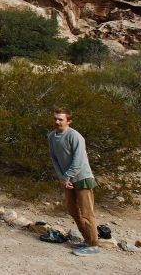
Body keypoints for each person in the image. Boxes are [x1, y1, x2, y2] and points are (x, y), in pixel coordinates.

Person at [47, 108, 100, 256]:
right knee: (72, 210)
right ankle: (87, 239)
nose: (57, 121)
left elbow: (79, 161)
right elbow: (54, 158)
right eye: (55, 119)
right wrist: (62, 177)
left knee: (86, 213)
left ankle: (93, 245)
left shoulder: (75, 136)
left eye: (60, 119)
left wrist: (67, 176)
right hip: (67, 179)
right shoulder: (51, 136)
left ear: (68, 121)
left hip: (82, 178)